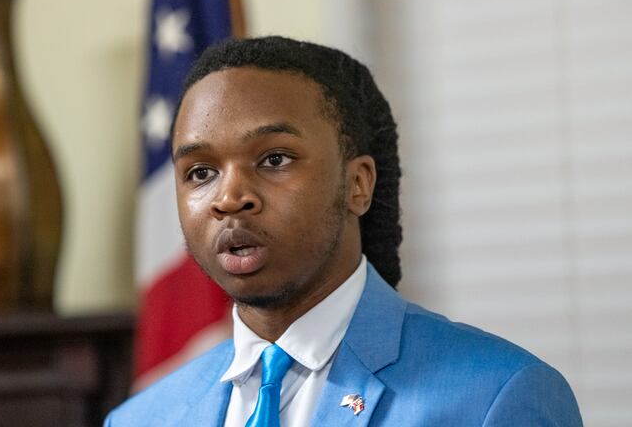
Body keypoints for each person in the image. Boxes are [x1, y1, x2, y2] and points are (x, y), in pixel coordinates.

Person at [106, 36, 582, 426]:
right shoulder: (140, 419)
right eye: (201, 172)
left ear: (357, 185)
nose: (230, 198)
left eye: (275, 159)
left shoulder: (497, 398)